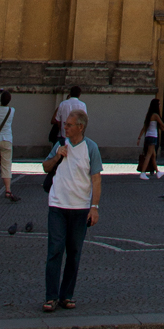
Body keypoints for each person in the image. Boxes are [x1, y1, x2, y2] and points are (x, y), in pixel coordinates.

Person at [41, 109, 102, 312]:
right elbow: (45, 167)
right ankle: (51, 297)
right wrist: (57, 157)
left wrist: (94, 207)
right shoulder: (60, 145)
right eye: (65, 124)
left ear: (80, 127)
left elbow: (96, 179)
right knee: (55, 250)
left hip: (80, 209)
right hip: (58, 205)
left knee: (74, 253)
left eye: (68, 125)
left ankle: (66, 295)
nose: (64, 127)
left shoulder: (91, 148)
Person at [137, 99, 162, 178]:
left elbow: (144, 127)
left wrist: (139, 137)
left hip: (147, 136)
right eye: (159, 104)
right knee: (149, 155)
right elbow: (162, 125)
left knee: (153, 155)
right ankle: (143, 173)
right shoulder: (155, 115)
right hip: (153, 136)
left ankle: (157, 172)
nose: (160, 106)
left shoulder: (148, 115)